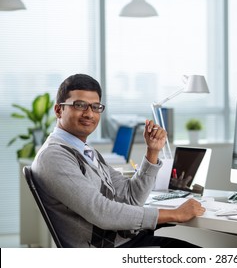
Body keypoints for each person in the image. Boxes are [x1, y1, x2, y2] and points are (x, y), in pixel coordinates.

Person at [31, 73, 205, 248]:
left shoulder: (87, 152)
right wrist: (174, 214)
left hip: (128, 242)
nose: (89, 114)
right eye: (80, 105)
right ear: (59, 110)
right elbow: (101, 212)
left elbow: (132, 198)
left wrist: (152, 152)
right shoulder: (54, 156)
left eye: (95, 106)